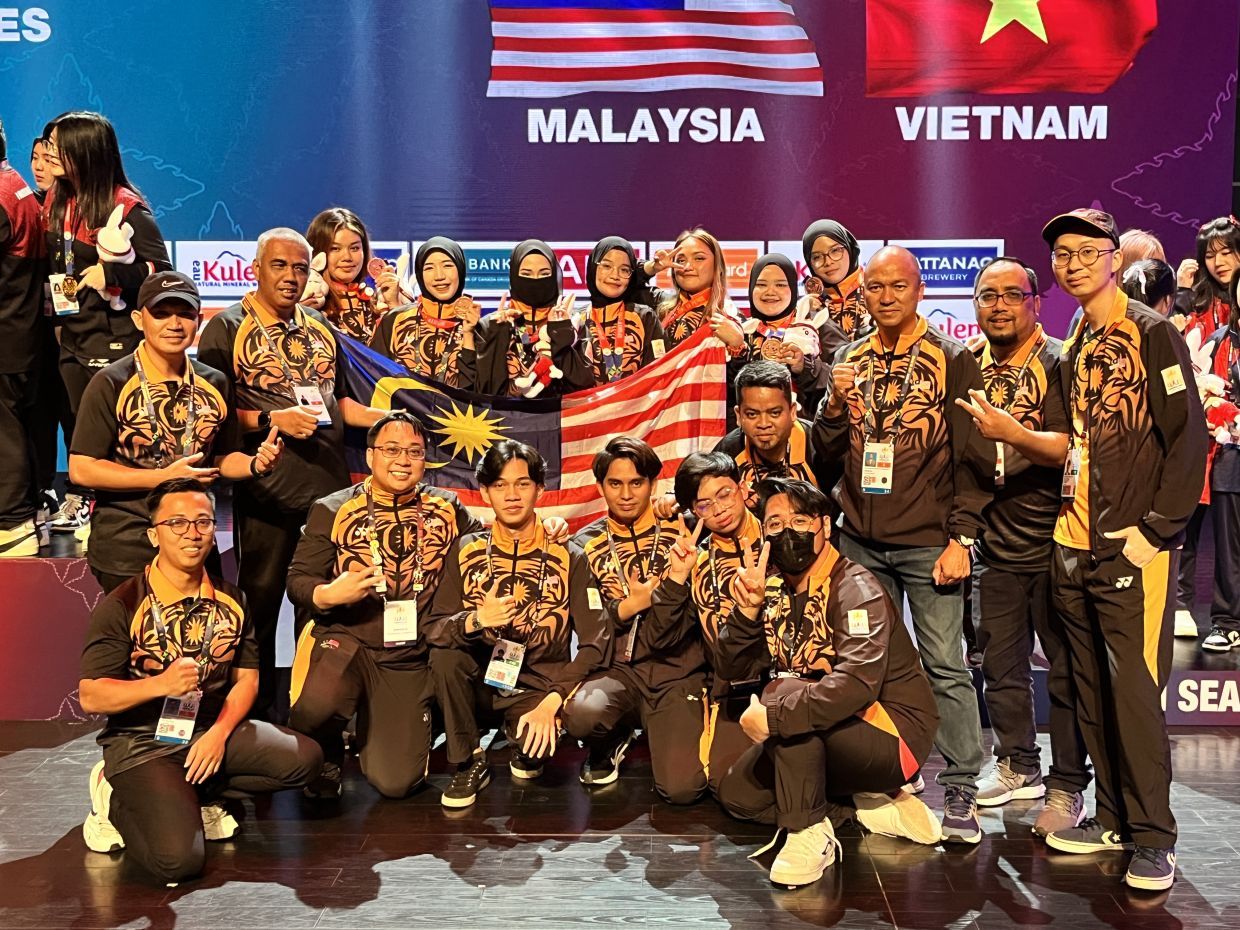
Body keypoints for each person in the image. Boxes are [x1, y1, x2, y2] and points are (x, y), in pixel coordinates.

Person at [1039, 208, 1206, 892]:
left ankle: (1154, 837)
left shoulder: (1152, 331)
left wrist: (1155, 529)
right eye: (1062, 254)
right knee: (1091, 691)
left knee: (1134, 695)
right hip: (1073, 544)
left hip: (1132, 547)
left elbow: (1187, 437)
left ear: (1113, 257)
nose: (1074, 263)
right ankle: (1112, 820)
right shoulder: (1078, 338)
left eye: (1087, 251)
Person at [813, 245, 992, 844]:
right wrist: (832, 404)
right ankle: (888, 774)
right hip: (860, 541)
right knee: (872, 666)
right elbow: (825, 454)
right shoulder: (849, 357)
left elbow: (973, 455)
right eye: (875, 287)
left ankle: (962, 786)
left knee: (944, 661)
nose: (885, 297)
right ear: (862, 292)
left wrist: (962, 537)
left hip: (929, 542)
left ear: (920, 291)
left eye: (898, 286)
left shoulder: (952, 357)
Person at [78, 477, 322, 885]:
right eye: (177, 523)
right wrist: (159, 685)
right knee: (178, 863)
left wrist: (220, 734)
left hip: (207, 730)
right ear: (153, 535)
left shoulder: (232, 599)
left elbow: (247, 680)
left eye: (203, 522)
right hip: (143, 743)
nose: (191, 533)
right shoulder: (122, 604)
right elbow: (91, 695)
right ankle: (113, 801)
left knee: (305, 759)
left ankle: (198, 795)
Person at [715, 478, 942, 888]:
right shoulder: (772, 587)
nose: (788, 532)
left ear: (823, 525)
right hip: (826, 727)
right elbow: (732, 667)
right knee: (738, 795)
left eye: (800, 521)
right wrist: (747, 613)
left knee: (784, 694)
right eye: (775, 524)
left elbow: (856, 685)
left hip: (893, 737)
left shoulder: (855, 588)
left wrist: (775, 718)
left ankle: (807, 833)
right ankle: (862, 808)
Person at [197, 227, 386, 719]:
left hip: (326, 495)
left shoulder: (320, 325)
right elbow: (213, 413)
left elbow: (338, 402)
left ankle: (314, 720)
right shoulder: (226, 327)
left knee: (322, 611)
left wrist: (392, 416)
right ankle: (252, 719)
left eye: (300, 268)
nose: (290, 277)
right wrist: (270, 419)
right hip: (266, 493)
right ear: (255, 269)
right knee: (259, 607)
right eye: (279, 266)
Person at [954, 257, 1091, 837]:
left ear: (1036, 302)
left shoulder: (1060, 360)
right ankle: (1018, 765)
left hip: (1058, 541)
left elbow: (1070, 447)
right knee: (1000, 667)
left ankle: (1067, 785)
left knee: (1065, 673)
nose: (1000, 306)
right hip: (993, 543)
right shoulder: (966, 364)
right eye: (988, 296)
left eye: (1013, 295)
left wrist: (1013, 435)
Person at [287, 412, 486, 802]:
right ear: (370, 456)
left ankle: (376, 725)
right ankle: (328, 753)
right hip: (347, 641)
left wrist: (541, 530)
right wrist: (328, 594)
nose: (403, 460)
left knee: (395, 783)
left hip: (406, 656)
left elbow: (484, 549)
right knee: (314, 709)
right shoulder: (332, 508)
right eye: (391, 450)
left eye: (414, 451)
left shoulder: (446, 506)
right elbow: (298, 579)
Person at [68, 271, 282, 592]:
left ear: (199, 320)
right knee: (141, 626)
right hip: (128, 541)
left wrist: (255, 464)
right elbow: (82, 468)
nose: (174, 324)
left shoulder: (215, 381)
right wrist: (161, 478)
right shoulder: (110, 382)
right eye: (161, 313)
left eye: (184, 314)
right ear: (139, 319)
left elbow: (220, 459)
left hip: (193, 540)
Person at [425, 441, 608, 782]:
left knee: (535, 752)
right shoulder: (465, 549)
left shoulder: (570, 555)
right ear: (484, 491)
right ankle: (468, 760)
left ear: (540, 488)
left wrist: (554, 700)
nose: (511, 496)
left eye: (522, 484)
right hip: (478, 685)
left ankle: (518, 735)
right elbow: (434, 628)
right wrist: (477, 619)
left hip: (537, 686)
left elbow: (594, 643)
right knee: (445, 657)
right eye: (500, 485)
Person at [42, 111, 173, 532]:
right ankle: (80, 499)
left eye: (58, 147)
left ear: (85, 152)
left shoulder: (127, 209)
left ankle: (114, 506)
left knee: (108, 427)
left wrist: (111, 273)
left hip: (114, 340)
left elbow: (163, 274)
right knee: (74, 423)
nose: (49, 153)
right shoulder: (59, 200)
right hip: (72, 334)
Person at [561, 437, 707, 802]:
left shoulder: (685, 527)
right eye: (615, 483)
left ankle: (665, 726)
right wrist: (628, 606)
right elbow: (588, 624)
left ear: (653, 484)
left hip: (678, 669)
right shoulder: (583, 544)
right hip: (619, 670)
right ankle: (613, 735)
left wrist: (677, 503)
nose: (626, 494)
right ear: (600, 486)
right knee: (581, 714)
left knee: (682, 791)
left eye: (636, 483)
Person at [647, 451, 762, 796]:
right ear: (693, 512)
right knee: (688, 788)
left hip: (779, 683)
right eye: (704, 505)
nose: (719, 509)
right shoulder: (693, 556)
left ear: (742, 487)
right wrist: (676, 578)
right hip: (728, 685)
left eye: (725, 494)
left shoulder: (774, 534)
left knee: (744, 791)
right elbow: (660, 637)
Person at [460, 239, 593, 397]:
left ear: (555, 276)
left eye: (544, 274)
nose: (535, 280)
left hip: (561, 413)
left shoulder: (572, 322)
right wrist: (498, 336)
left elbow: (584, 390)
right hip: (505, 414)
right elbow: (485, 393)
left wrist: (561, 336)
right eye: (526, 274)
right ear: (513, 276)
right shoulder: (489, 325)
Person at [0, 117, 45, 557]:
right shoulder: (15, 185)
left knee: (5, 430)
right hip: (21, 331)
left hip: (8, 333)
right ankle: (27, 514)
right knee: (15, 425)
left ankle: (13, 523)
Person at [1189, 273, 1240, 653]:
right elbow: (1195, 390)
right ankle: (1227, 622)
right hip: (1231, 458)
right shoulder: (1220, 340)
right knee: (1229, 547)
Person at [735, 253, 845, 415]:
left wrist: (805, 367)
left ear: (793, 289)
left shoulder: (816, 325)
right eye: (761, 284)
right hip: (754, 427)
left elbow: (844, 378)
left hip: (808, 427)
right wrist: (736, 351)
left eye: (780, 285)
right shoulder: (743, 333)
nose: (770, 292)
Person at [714, 360, 832, 509]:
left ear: (792, 411)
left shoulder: (818, 445)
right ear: (738, 416)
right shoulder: (728, 451)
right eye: (752, 414)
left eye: (774, 413)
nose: (764, 424)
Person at [370, 237, 481, 388]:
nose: (439, 276)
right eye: (429, 268)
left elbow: (478, 391)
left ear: (460, 270)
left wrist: (468, 336)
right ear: (420, 273)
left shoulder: (477, 328)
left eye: (447, 265)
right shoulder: (394, 320)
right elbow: (373, 377)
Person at [633, 227, 742, 351]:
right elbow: (622, 284)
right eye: (680, 260)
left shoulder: (730, 315)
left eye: (699, 258)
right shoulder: (659, 304)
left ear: (718, 265)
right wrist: (651, 268)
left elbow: (749, 363)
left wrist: (737, 344)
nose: (687, 267)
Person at [583, 236, 666, 384]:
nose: (615, 276)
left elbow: (657, 374)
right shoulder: (576, 320)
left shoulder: (645, 317)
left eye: (624, 270)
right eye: (607, 266)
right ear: (593, 268)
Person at [304, 207, 390, 341]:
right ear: (317, 253)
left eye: (354, 248)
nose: (347, 257)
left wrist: (395, 306)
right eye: (335, 249)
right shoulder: (306, 303)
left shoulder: (377, 301)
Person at [798, 219, 872, 342]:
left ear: (850, 249)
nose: (828, 262)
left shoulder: (876, 292)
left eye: (835, 250)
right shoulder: (806, 308)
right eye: (817, 257)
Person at [1173, 216, 1239, 341]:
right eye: (1209, 256)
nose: (1218, 262)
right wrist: (1183, 292)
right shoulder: (1195, 300)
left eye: (1225, 253)